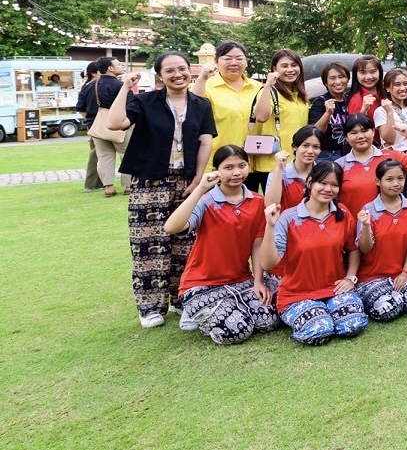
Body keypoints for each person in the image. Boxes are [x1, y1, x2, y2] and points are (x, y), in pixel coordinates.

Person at [102, 53, 216, 328]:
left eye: (182, 69)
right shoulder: (144, 101)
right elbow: (114, 123)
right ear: (159, 76)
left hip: (185, 179)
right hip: (150, 180)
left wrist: (198, 179)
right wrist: (124, 88)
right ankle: (150, 307)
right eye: (169, 71)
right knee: (148, 244)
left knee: (186, 244)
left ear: (190, 71)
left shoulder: (201, 104)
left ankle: (182, 300)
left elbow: (205, 142)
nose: (177, 74)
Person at [165, 146, 277, 345]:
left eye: (242, 166)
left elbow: (257, 245)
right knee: (236, 331)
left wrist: (258, 281)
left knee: (268, 321)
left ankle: (229, 306)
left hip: (240, 280)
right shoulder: (206, 201)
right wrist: (200, 188)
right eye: (228, 167)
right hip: (202, 284)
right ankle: (195, 312)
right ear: (216, 170)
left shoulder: (258, 201)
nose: (236, 172)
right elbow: (172, 227)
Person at [260, 161, 368, 346]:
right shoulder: (288, 217)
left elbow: (353, 249)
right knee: (319, 330)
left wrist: (350, 278)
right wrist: (270, 227)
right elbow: (268, 264)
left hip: (333, 290)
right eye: (323, 183)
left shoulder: (342, 213)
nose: (328, 189)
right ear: (310, 183)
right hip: (296, 294)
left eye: (334, 185)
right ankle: (317, 315)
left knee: (354, 324)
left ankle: (323, 311)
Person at [355, 159, 407, 321]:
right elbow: (365, 249)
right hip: (371, 277)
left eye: (400, 178)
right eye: (389, 179)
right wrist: (366, 226)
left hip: (401, 274)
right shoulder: (368, 210)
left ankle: (394, 294)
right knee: (389, 309)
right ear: (378, 181)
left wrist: (405, 273)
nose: (396, 183)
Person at [334, 114, 407, 216]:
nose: (360, 136)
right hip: (354, 227)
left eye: (365, 131)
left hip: (388, 227)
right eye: (353, 133)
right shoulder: (338, 166)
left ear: (374, 132)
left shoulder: (391, 156)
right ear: (346, 137)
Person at [193, 41, 259, 177]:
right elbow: (194, 109)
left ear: (246, 62)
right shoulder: (206, 86)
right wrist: (202, 78)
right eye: (227, 58)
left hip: (253, 163)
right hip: (220, 164)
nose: (234, 63)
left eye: (239, 58)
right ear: (216, 62)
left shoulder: (259, 88)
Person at [248, 49, 310, 192]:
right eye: (284, 66)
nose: (290, 70)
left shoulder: (300, 95)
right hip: (272, 164)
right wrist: (268, 85)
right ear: (275, 69)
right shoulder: (269, 92)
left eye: (294, 65)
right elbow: (261, 117)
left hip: (295, 163)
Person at [88, 56, 130, 196]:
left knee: (104, 157)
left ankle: (108, 188)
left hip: (100, 124)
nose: (121, 65)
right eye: (119, 64)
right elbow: (131, 105)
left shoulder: (93, 85)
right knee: (127, 154)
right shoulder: (120, 85)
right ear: (111, 68)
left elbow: (83, 106)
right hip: (120, 122)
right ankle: (129, 186)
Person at [307, 62, 351, 162]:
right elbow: (316, 132)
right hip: (327, 155)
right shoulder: (320, 102)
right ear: (326, 82)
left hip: (348, 153)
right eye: (332, 78)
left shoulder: (349, 101)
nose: (338, 81)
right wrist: (327, 114)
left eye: (341, 77)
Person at [374, 68, 407, 154]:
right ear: (387, 88)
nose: (402, 88)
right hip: (395, 159)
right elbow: (389, 139)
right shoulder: (381, 111)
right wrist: (389, 113)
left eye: (405, 84)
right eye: (397, 85)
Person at [76, 61, 105, 193]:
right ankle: (92, 184)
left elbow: (81, 108)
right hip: (99, 123)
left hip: (92, 123)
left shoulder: (85, 86)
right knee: (98, 154)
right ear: (94, 72)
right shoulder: (96, 85)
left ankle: (96, 182)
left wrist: (89, 120)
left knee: (98, 153)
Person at [280, 126, 325, 210]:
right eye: (305, 145)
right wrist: (279, 170)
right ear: (294, 146)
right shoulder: (279, 173)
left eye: (316, 147)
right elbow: (270, 204)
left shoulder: (324, 174)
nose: (310, 151)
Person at [346, 54, 384, 122]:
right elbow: (354, 128)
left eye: (373, 72)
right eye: (363, 73)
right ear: (356, 75)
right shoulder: (356, 100)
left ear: (380, 73)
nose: (369, 77)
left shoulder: (387, 93)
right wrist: (363, 110)